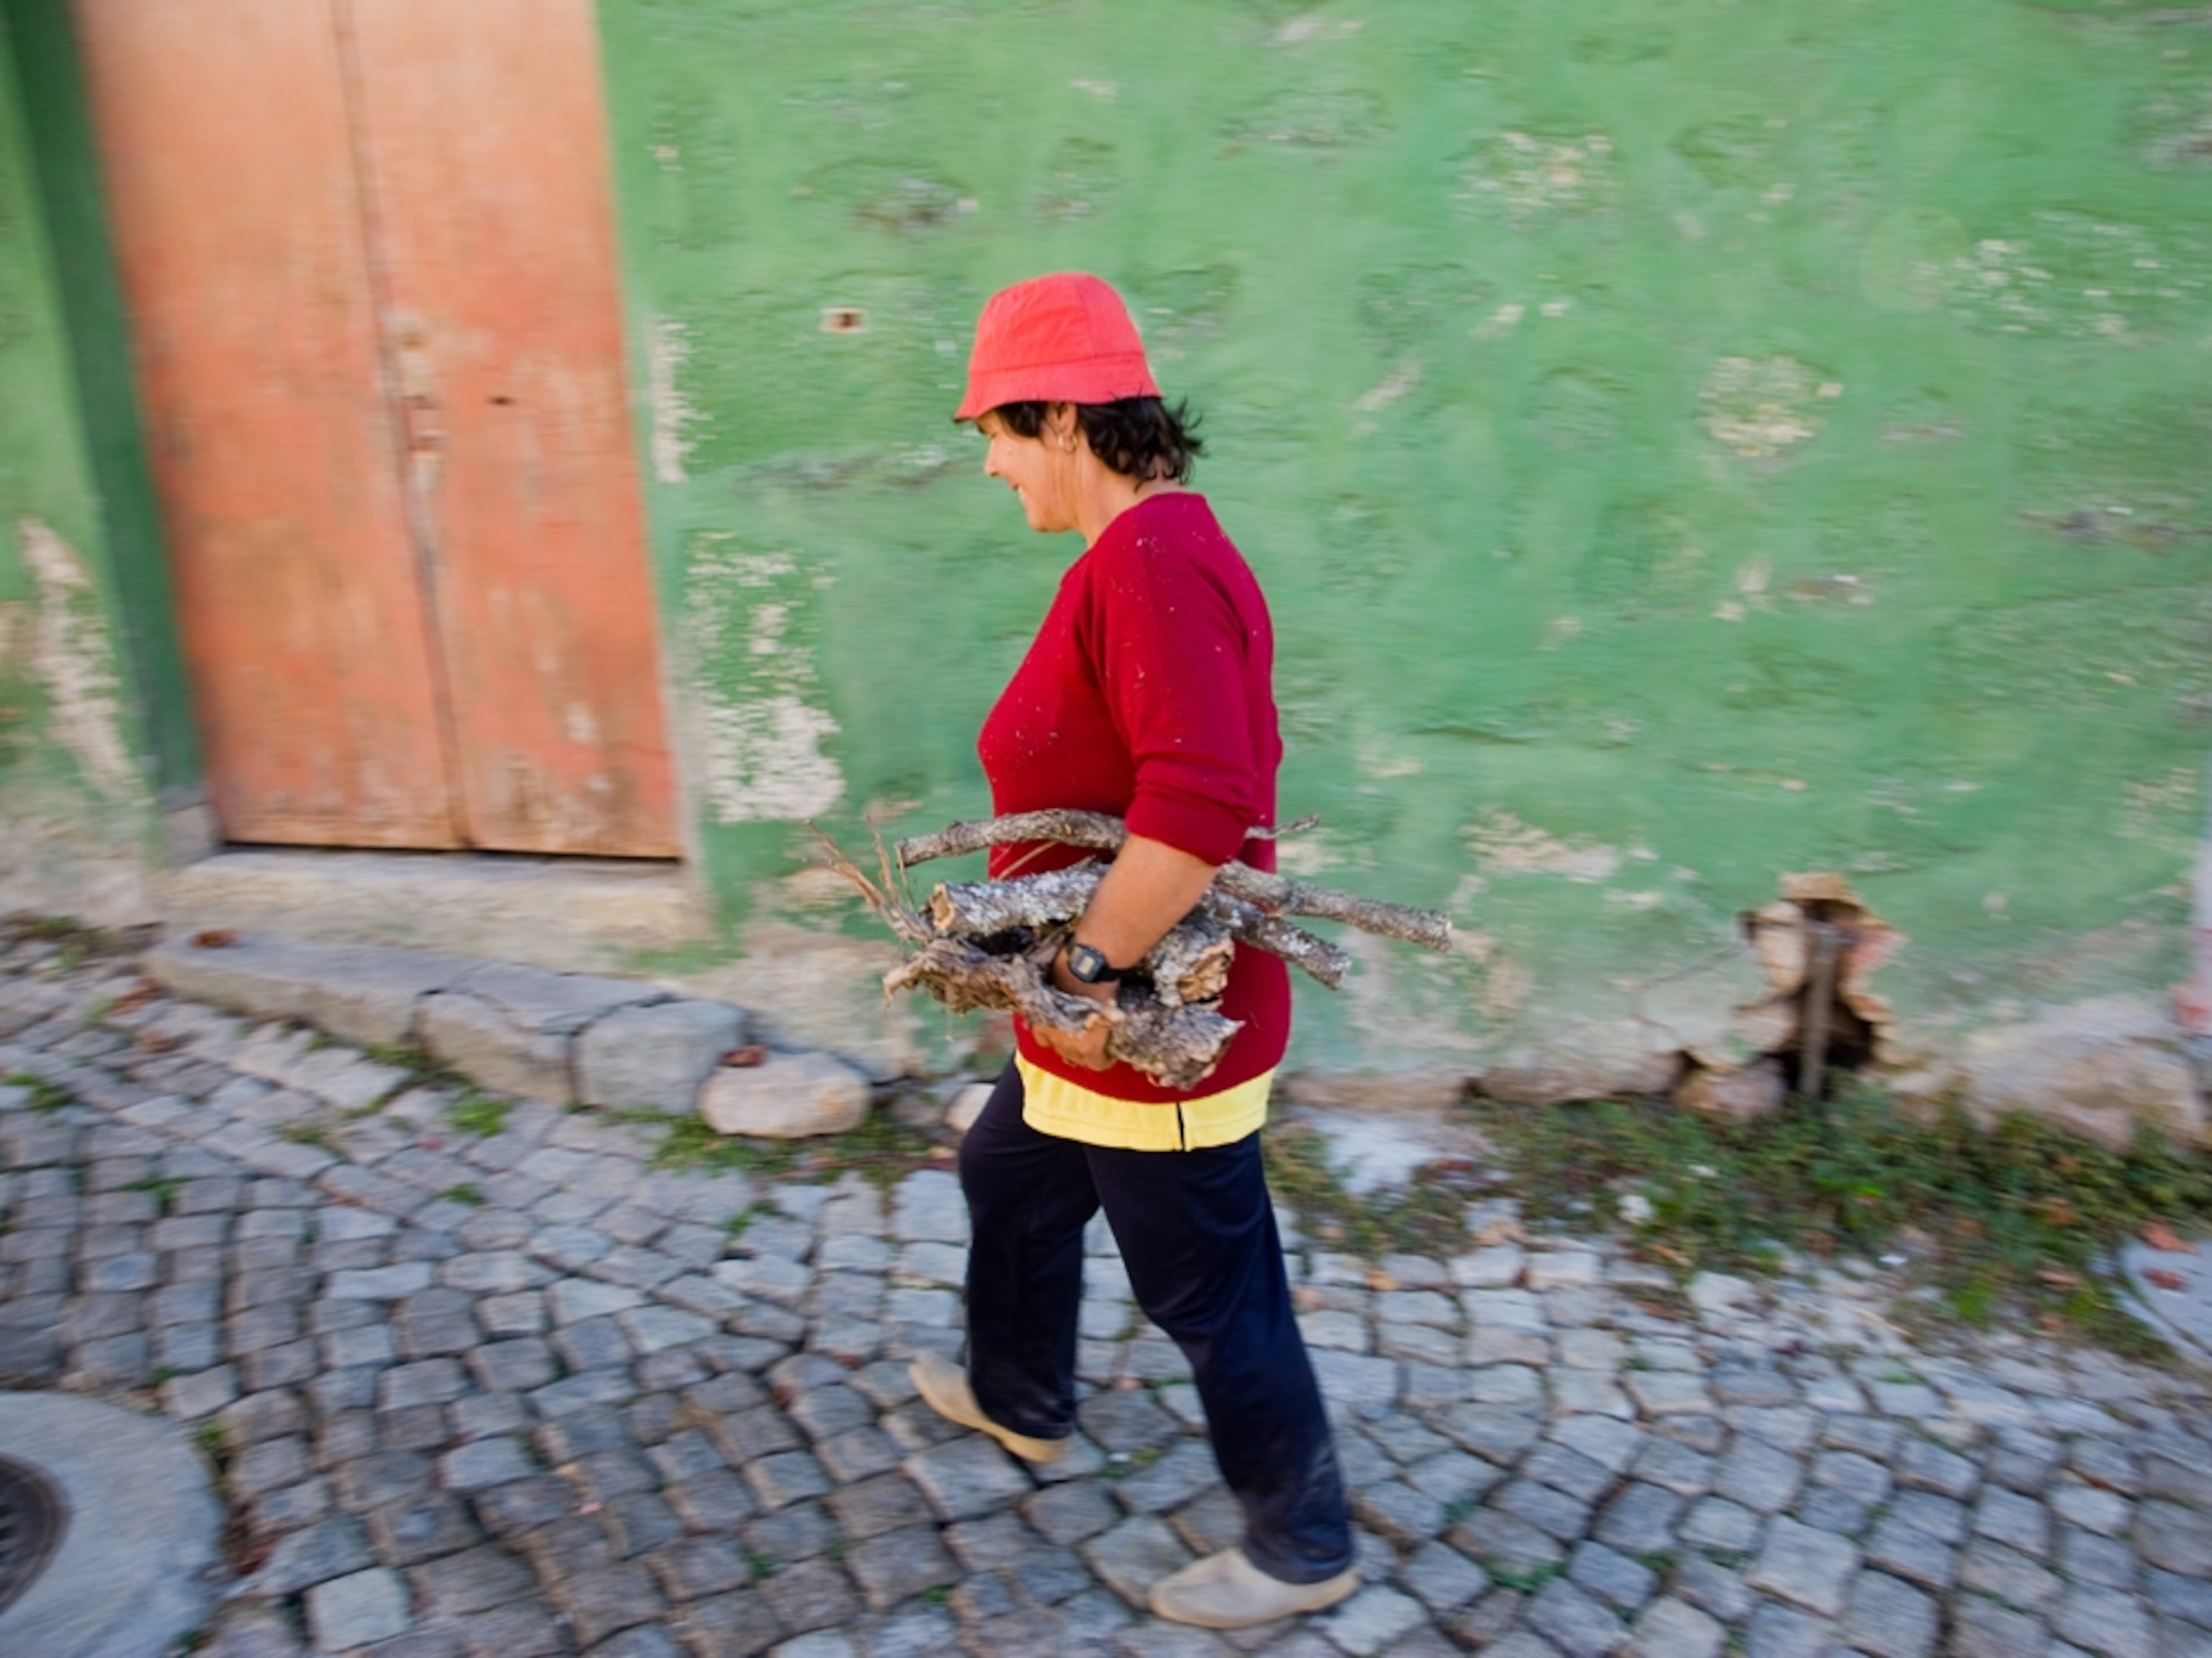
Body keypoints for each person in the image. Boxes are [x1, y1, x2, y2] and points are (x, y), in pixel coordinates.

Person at [906, 271, 1359, 1629]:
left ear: (1063, 417)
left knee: (1210, 1286)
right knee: (1007, 1172)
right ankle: (1021, 1393)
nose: (990, 465)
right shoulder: (1148, 552)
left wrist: (1087, 972)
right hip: (1088, 1018)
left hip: (1148, 1021)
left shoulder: (1150, 562)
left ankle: (1302, 1542)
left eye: (995, 431)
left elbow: (1199, 808)